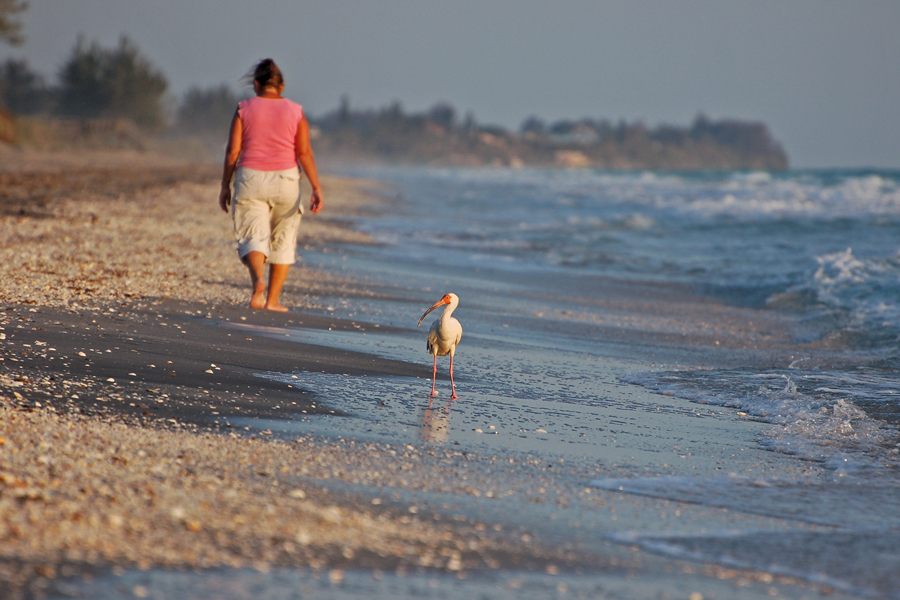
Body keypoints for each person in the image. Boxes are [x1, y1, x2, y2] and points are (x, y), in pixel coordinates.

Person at [218, 58, 323, 311]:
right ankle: (273, 301)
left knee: (253, 235)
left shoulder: (244, 108)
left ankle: (258, 283)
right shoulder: (295, 110)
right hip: (287, 179)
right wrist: (316, 187)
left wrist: (225, 185)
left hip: (251, 177)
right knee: (284, 240)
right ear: (282, 86)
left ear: (256, 84)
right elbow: (305, 152)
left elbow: (233, 151)